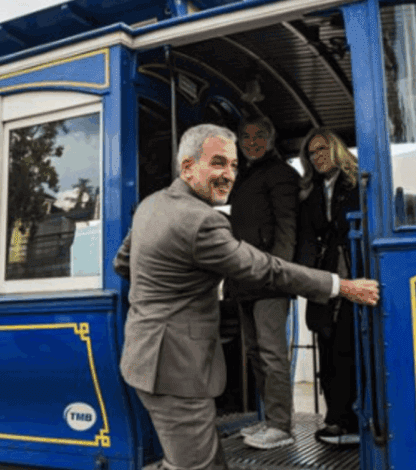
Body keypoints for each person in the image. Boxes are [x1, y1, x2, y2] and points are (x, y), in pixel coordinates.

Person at [114, 123, 379, 470]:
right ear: (188, 167)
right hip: (176, 368)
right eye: (218, 163)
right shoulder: (200, 221)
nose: (229, 175)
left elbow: (123, 263)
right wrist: (342, 286)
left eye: (234, 166)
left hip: (147, 356)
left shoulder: (151, 205)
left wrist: (173, 286)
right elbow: (269, 269)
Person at [226, 117, 301, 450]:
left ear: (271, 139)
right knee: (256, 352)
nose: (251, 141)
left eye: (259, 136)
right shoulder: (244, 177)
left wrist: (278, 270)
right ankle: (269, 419)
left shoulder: (281, 174)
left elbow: (288, 227)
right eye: (246, 136)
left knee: (272, 354)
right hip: (244, 278)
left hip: (269, 278)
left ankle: (281, 425)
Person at [295, 127, 361, 446]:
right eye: (311, 153)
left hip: (354, 274)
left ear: (335, 149)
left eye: (322, 149)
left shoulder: (357, 183)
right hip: (325, 279)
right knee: (327, 346)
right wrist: (304, 278)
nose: (317, 157)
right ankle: (335, 418)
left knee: (350, 344)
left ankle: (350, 417)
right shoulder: (311, 193)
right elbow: (307, 238)